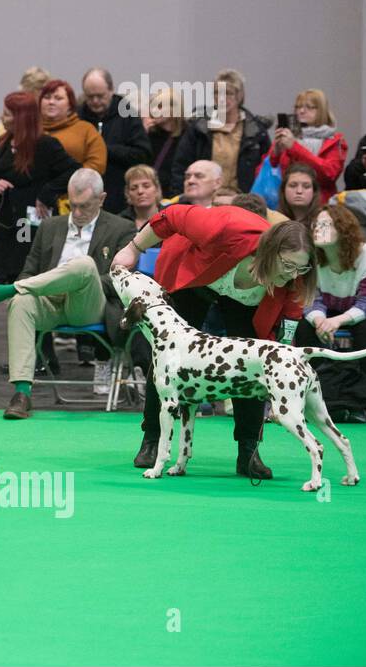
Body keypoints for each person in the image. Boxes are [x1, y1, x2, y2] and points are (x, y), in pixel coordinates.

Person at [113, 206, 316, 480]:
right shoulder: (226, 228)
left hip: (246, 303)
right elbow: (170, 217)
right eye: (288, 266)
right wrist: (134, 248)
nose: (294, 274)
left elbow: (286, 327)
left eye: (300, 268)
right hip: (195, 278)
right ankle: (152, 440)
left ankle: (249, 451)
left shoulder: (295, 269)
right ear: (270, 252)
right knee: (166, 360)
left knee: (251, 365)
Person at [0, 169, 136, 418]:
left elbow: (120, 279)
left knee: (84, 265)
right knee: (21, 302)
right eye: (72, 205)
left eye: (84, 206)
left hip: (89, 305)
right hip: (48, 300)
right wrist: (33, 286)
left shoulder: (122, 228)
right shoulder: (51, 226)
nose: (76, 213)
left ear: (102, 199)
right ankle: (22, 394)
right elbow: (28, 271)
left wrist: (77, 279)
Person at [0, 91, 79, 288]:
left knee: (25, 272)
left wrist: (47, 193)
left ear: (21, 118)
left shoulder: (45, 145)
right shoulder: (2, 144)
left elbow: (73, 170)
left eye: (7, 114)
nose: (2, 117)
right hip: (4, 222)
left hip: (30, 222)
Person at [294, 204, 366, 421]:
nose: (318, 230)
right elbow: (311, 297)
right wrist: (320, 320)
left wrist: (337, 321)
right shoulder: (310, 257)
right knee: (304, 328)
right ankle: (314, 396)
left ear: (343, 229)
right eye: (316, 225)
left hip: (361, 315)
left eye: (326, 225)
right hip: (326, 314)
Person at [170, 68, 270, 195]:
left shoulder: (256, 131)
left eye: (228, 93)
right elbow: (180, 167)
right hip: (204, 199)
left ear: (239, 96)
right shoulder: (199, 128)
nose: (222, 98)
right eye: (218, 93)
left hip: (242, 200)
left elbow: (266, 171)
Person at [79, 67, 151, 214]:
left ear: (111, 90)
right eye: (89, 97)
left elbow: (142, 154)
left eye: (100, 96)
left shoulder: (128, 115)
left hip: (119, 198)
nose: (95, 101)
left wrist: (103, 149)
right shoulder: (78, 116)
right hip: (84, 198)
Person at [39, 79, 106, 181]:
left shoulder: (86, 130)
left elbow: (97, 165)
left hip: (76, 192)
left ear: (70, 105)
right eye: (47, 98)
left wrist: (68, 180)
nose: (51, 102)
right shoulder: (30, 131)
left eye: (58, 98)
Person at [143, 87, 186, 198]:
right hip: (149, 194)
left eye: (160, 106)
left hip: (175, 194)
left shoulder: (187, 135)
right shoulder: (150, 134)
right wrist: (142, 134)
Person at [123, 165, 164, 232]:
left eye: (146, 186)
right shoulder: (120, 221)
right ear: (127, 193)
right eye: (134, 188)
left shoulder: (168, 217)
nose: (140, 191)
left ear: (157, 188)